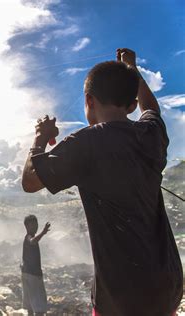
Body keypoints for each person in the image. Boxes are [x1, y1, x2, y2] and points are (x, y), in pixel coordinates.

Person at [21, 48, 183, 315]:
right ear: (131, 105)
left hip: (122, 298)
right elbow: (151, 108)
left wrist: (40, 137)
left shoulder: (85, 142)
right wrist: (132, 69)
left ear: (89, 100)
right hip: (167, 286)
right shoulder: (150, 133)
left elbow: (30, 181)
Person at [21, 215, 50, 315]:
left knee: (30, 306)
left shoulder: (29, 238)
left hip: (26, 274)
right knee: (39, 308)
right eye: (33, 224)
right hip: (33, 276)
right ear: (27, 227)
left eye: (36, 224)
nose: (36, 226)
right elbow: (32, 242)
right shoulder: (29, 237)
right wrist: (43, 232)